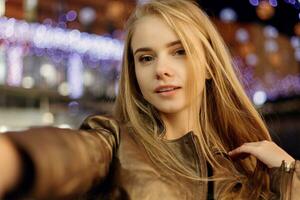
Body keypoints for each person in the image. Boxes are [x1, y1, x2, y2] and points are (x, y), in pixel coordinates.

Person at [0, 0, 299, 199]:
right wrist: (13, 158)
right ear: (134, 72)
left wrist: (291, 174)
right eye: (146, 58)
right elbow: (65, 155)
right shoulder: (113, 144)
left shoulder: (252, 170)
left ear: (209, 65)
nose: (161, 70)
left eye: (179, 51)